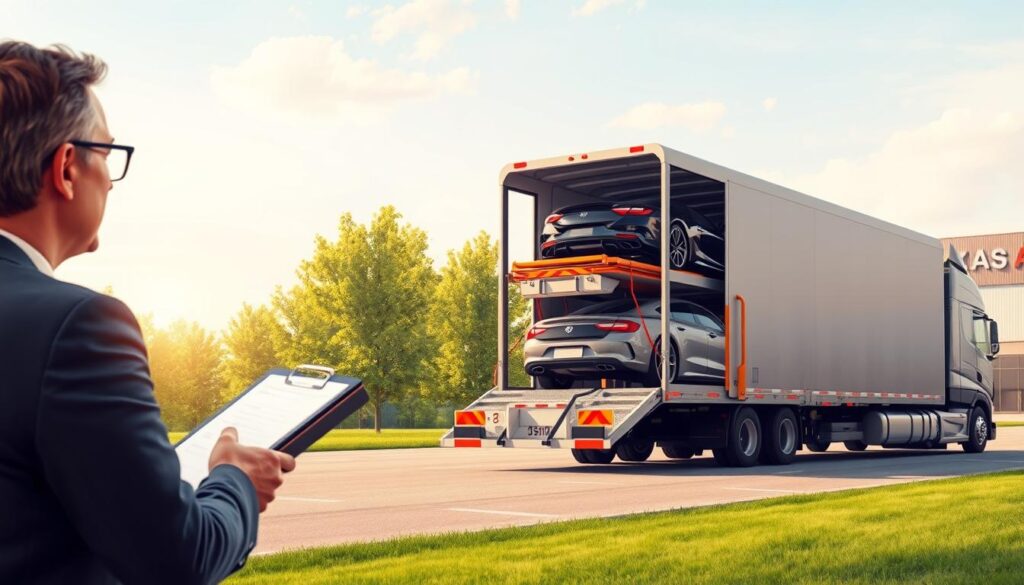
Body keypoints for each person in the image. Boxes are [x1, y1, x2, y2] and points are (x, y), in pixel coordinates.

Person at [0, 41, 296, 584]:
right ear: (67, 168)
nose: (110, 181)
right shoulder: (76, 329)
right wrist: (234, 482)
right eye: (108, 156)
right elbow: (177, 561)